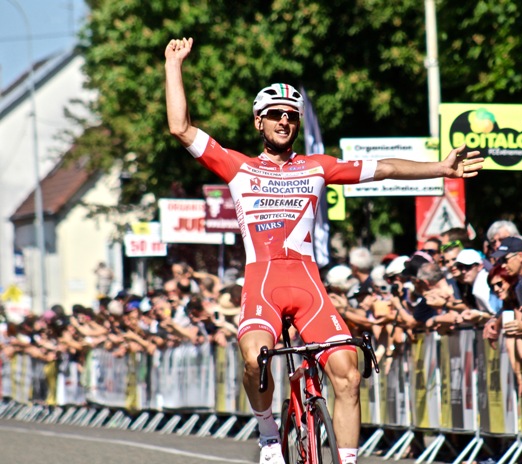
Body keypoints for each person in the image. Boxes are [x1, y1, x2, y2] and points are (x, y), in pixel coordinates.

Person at [165, 36, 483, 464]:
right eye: (275, 115)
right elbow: (180, 128)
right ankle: (268, 436)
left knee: (348, 374)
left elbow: (385, 169)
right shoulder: (237, 165)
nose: (284, 121)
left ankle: (346, 460)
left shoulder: (318, 166)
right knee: (254, 357)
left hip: (309, 284)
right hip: (264, 283)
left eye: (291, 116)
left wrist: (441, 168)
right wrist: (174, 65)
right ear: (259, 122)